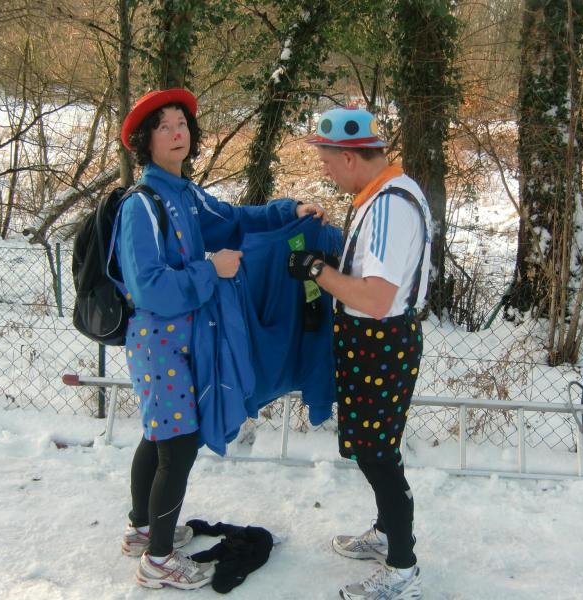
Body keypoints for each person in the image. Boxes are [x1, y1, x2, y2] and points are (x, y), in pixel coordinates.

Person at [115, 88, 326, 590]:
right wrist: (211, 270)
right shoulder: (141, 205)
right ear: (145, 141)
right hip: (158, 343)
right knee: (178, 445)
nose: (176, 133)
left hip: (182, 341)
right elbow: (149, 287)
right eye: (163, 126)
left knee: (159, 435)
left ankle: (143, 530)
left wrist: (287, 211)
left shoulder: (185, 195)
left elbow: (231, 220)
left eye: (181, 123)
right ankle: (159, 561)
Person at [288, 106, 431, 600]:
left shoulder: (389, 207)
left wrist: (316, 271)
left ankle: (402, 568)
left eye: (327, 161)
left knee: (377, 456)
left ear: (349, 158)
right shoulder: (388, 194)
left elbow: (375, 298)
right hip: (376, 342)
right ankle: (388, 533)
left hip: (379, 342)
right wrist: (333, 262)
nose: (326, 171)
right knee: (377, 447)